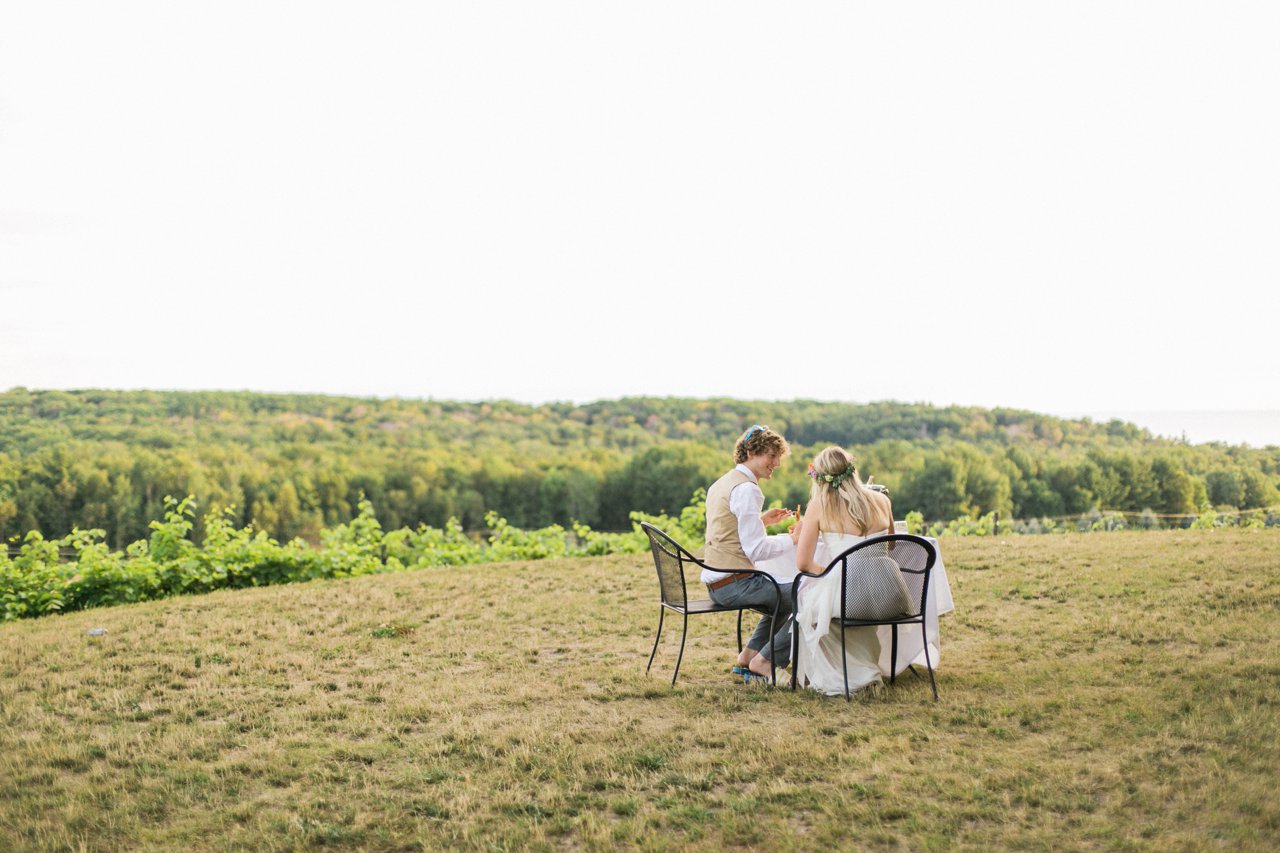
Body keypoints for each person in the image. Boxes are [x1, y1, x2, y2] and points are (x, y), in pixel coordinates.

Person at [792, 445, 896, 696]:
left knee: (808, 603)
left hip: (851, 593)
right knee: (829, 605)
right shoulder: (882, 500)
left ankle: (850, 672)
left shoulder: (820, 505)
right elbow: (891, 545)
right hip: (888, 593)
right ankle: (863, 668)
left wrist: (832, 574)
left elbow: (804, 564)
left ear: (820, 478)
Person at [703, 424, 801, 683]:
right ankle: (766, 662)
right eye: (771, 455)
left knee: (785, 594)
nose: (777, 462)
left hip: (718, 583)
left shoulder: (722, 483)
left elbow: (728, 530)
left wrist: (761, 521)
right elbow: (756, 549)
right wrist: (793, 539)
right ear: (752, 453)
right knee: (808, 595)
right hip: (735, 584)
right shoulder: (747, 489)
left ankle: (749, 656)